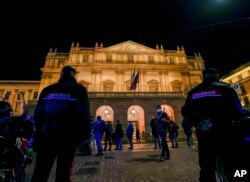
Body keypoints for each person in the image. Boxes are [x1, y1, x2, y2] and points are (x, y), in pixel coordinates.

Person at [31, 66, 92, 182]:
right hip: (69, 136)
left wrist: (39, 134)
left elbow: (37, 114)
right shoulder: (79, 90)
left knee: (40, 172)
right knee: (63, 172)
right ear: (74, 76)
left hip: (47, 135)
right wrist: (85, 135)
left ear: (61, 75)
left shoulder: (47, 90)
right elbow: (84, 114)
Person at [181, 68, 243, 182]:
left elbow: (185, 111)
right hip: (226, 132)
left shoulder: (194, 92)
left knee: (206, 167)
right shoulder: (226, 88)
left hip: (205, 135)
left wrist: (197, 123)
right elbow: (238, 110)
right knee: (232, 165)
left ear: (204, 76)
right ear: (216, 76)